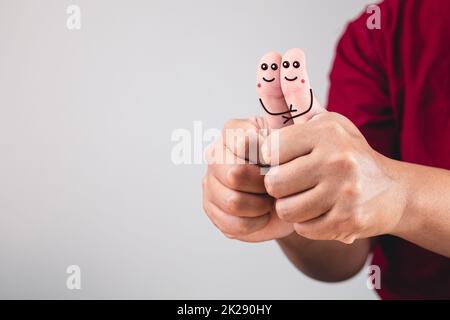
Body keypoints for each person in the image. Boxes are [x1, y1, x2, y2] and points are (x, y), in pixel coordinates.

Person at [202, 0, 450, 299]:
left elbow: (382, 193)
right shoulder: (380, 31)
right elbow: (347, 249)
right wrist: (293, 196)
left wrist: (399, 195)